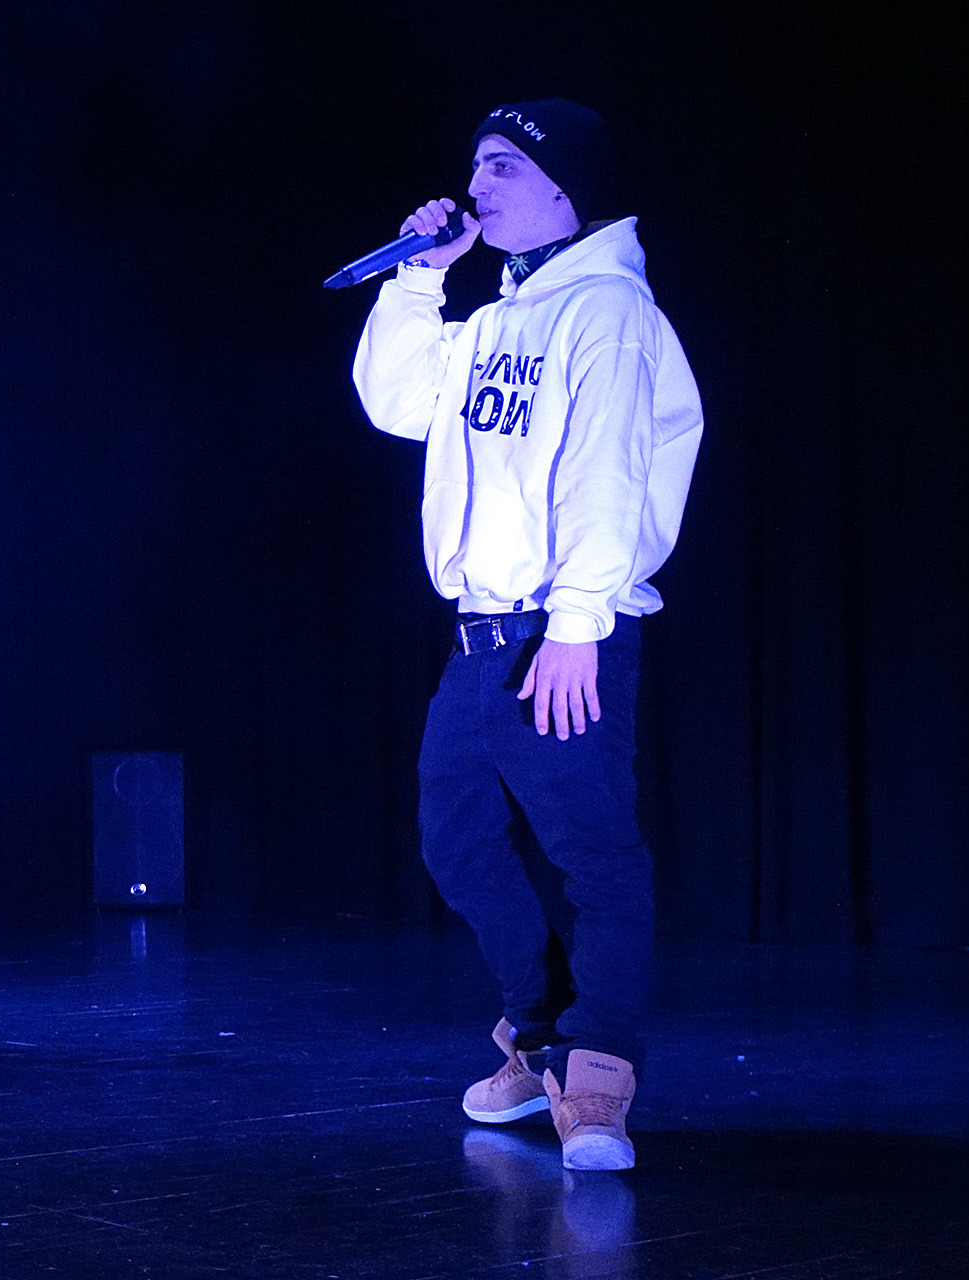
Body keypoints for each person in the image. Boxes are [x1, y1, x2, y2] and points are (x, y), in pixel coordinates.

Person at [352, 100, 702, 1169]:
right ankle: (543, 1034)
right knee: (454, 839)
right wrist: (418, 277)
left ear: (564, 186)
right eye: (475, 166)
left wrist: (578, 624)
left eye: (502, 166)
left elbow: (607, 472)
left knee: (594, 853)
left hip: (563, 627)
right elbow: (394, 402)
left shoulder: (608, 311)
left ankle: (600, 1075)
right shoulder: (499, 315)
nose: (476, 185)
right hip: (481, 637)